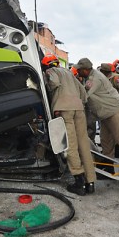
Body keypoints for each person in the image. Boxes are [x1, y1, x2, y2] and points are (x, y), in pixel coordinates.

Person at [41, 54, 96, 195]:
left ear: (47, 65)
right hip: (78, 108)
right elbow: (83, 92)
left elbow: (54, 83)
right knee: (83, 143)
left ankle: (79, 182)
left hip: (65, 110)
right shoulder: (69, 73)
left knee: (70, 144)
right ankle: (90, 182)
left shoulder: (51, 71)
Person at [75, 58, 119, 167]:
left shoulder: (95, 78)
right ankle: (108, 166)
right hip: (105, 113)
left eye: (79, 70)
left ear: (85, 70)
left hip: (114, 110)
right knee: (106, 141)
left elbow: (85, 95)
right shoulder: (91, 77)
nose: (78, 72)